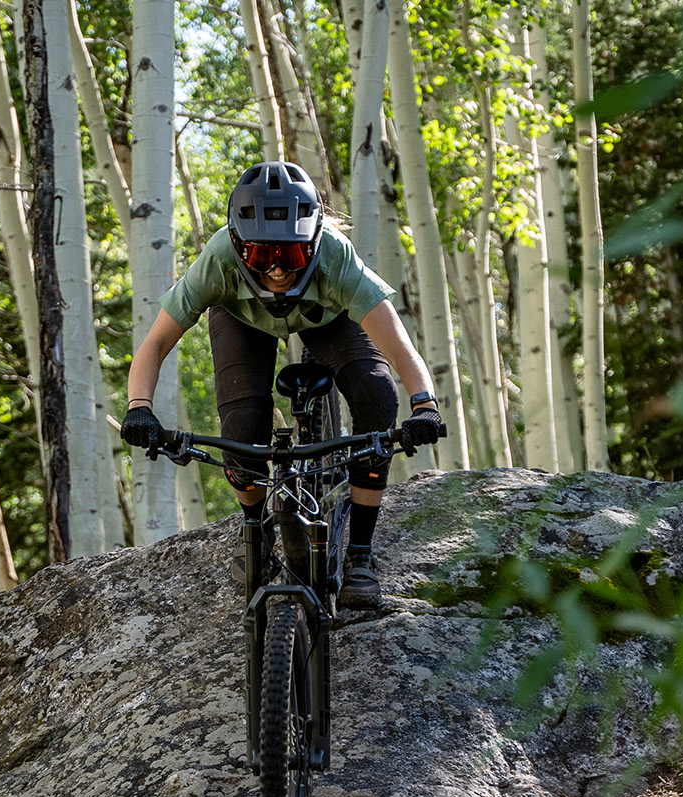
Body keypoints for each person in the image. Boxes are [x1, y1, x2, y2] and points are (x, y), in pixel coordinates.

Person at [120, 160, 446, 609]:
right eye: (259, 255)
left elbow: (397, 344)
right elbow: (155, 343)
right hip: (242, 322)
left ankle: (360, 555)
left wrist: (424, 404)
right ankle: (253, 527)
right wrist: (140, 406)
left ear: (312, 242)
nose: (275, 270)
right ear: (237, 245)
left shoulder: (334, 254)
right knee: (242, 425)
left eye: (290, 255)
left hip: (328, 319)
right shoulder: (217, 259)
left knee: (377, 395)